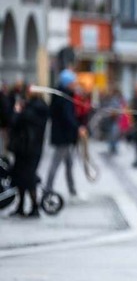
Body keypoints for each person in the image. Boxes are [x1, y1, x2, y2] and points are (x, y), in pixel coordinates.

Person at [45, 69, 86, 200]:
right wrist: (78, 128)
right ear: (68, 83)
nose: (75, 84)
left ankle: (72, 190)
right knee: (56, 163)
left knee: (69, 164)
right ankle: (48, 189)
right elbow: (67, 116)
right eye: (73, 82)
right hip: (63, 136)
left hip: (65, 136)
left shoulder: (64, 94)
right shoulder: (63, 97)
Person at [8, 86, 48, 217]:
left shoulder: (31, 110)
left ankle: (33, 207)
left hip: (27, 149)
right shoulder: (39, 108)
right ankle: (23, 206)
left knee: (28, 178)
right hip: (30, 149)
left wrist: (17, 110)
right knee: (22, 178)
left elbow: (14, 122)